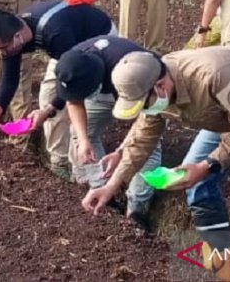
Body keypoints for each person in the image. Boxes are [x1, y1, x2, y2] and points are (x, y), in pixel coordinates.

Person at [83, 47, 230, 282]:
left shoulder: (212, 75)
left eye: (143, 105)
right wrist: (112, 185)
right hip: (226, 115)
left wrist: (207, 165)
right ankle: (224, 266)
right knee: (194, 184)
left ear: (160, 86)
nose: (145, 111)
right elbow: (143, 138)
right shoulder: (153, 86)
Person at [0, 0, 114, 180]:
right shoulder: (13, 37)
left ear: (17, 37)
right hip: (67, 49)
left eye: (4, 48)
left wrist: (48, 111)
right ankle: (59, 162)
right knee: (48, 97)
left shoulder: (56, 33)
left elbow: (71, 86)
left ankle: (88, 175)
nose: (4, 52)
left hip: (98, 43)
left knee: (78, 115)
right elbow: (10, 78)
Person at [55, 35, 163, 220]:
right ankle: (104, 192)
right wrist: (83, 140)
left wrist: (122, 151)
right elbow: (74, 102)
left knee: (147, 145)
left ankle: (137, 208)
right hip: (102, 91)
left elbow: (144, 128)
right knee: (82, 132)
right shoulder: (70, 67)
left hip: (144, 91)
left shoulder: (127, 67)